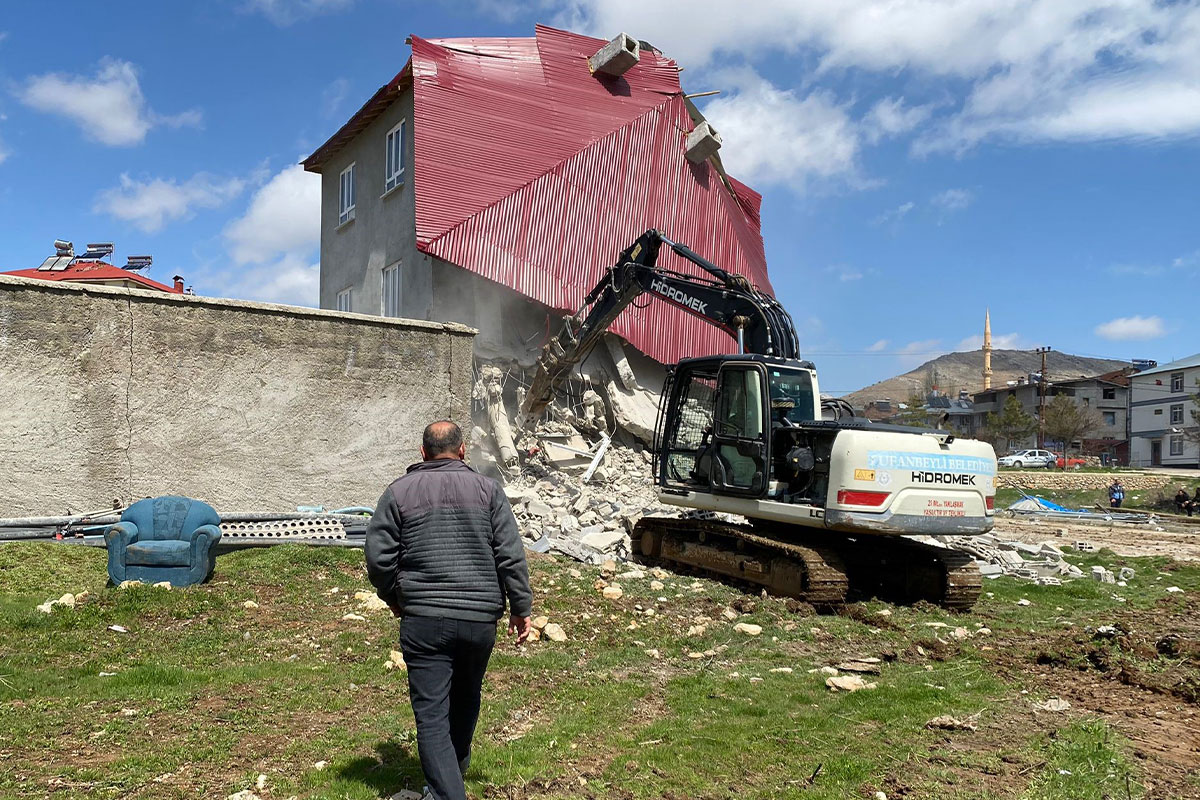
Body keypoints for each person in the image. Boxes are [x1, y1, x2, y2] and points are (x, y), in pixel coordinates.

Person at [366, 420, 532, 800]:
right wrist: (521, 607)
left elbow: (378, 559)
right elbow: (510, 554)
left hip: (423, 620)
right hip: (478, 621)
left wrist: (395, 597)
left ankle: (446, 792)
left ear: (422, 453)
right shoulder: (488, 491)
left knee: (432, 716)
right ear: (462, 452)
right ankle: (448, 784)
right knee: (466, 699)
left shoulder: (398, 493)